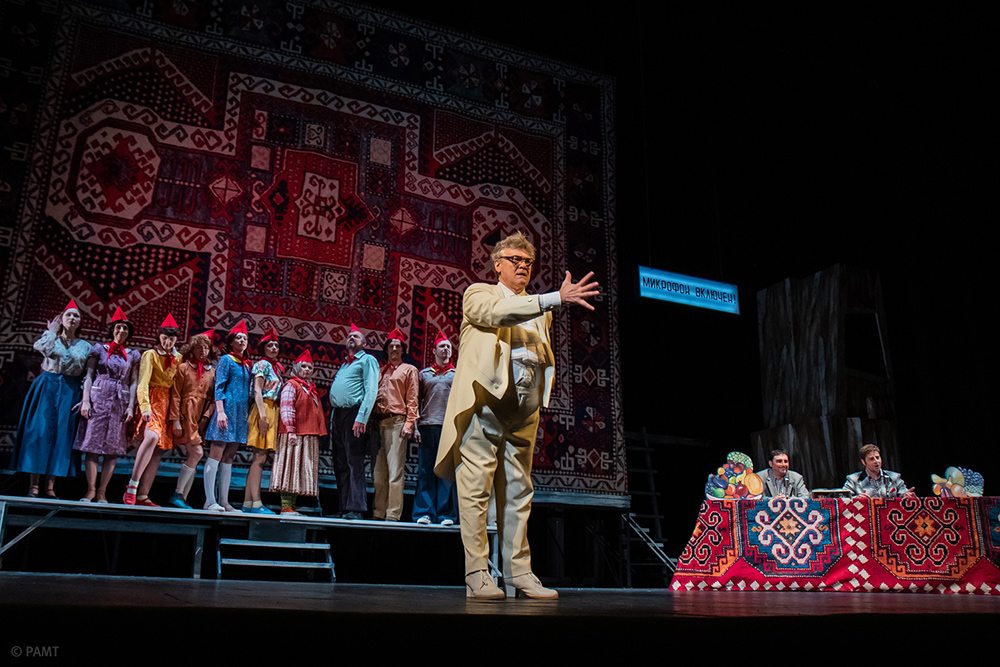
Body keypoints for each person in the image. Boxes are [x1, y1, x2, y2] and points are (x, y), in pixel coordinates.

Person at [435, 232, 599, 600]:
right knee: (475, 490)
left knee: (518, 491)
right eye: (514, 259)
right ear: (497, 264)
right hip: (487, 403)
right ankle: (477, 573)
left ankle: (519, 573)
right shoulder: (479, 293)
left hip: (524, 410)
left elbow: (538, 353)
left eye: (527, 262)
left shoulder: (541, 310)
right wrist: (553, 298)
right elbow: (497, 315)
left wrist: (538, 398)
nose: (522, 266)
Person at [14, 299, 91, 498]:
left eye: (76, 316)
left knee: (61, 435)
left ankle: (50, 486)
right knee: (39, 432)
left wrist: (84, 397)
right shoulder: (51, 338)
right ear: (61, 319)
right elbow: (41, 348)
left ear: (80, 322)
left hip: (70, 390)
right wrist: (52, 331)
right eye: (68, 315)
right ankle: (33, 484)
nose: (72, 318)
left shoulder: (85, 346)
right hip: (47, 387)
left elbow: (87, 374)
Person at [74, 306, 139, 503]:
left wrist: (131, 406)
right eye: (118, 327)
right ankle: (91, 490)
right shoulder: (99, 349)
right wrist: (86, 400)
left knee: (112, 449)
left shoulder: (132, 355)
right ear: (112, 330)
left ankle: (102, 492)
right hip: (99, 396)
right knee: (92, 446)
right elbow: (88, 375)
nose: (121, 331)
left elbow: (134, 381)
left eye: (125, 328)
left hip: (119, 400)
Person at [124, 314, 181, 506]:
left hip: (169, 404)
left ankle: (143, 495)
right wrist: (145, 407)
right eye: (164, 338)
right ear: (159, 337)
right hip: (153, 399)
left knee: (158, 451)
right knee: (151, 437)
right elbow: (143, 382)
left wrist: (177, 415)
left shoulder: (178, 358)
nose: (167, 342)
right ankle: (132, 486)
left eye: (171, 339)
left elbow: (178, 387)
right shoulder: (150, 354)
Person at [328, 323, 379, 519]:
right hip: (339, 415)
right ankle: (344, 507)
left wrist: (362, 417)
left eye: (356, 336)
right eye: (349, 336)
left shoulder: (368, 360)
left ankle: (356, 508)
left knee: (354, 461)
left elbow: (371, 390)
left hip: (354, 414)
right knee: (340, 461)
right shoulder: (345, 364)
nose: (351, 338)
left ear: (364, 343)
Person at [203, 321, 253, 511]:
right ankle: (209, 500)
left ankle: (224, 500)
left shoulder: (247, 364)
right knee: (216, 452)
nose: (242, 341)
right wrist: (221, 411)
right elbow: (219, 386)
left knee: (229, 456)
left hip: (240, 414)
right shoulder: (226, 360)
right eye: (238, 338)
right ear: (231, 341)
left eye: (245, 338)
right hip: (226, 410)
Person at [271, 349, 327, 515]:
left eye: (310, 367)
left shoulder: (311, 390)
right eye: (304, 366)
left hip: (307, 434)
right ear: (296, 368)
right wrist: (290, 430)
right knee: (290, 468)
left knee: (298, 471)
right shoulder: (292, 385)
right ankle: (286, 506)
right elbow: (286, 407)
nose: (307, 369)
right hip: (294, 433)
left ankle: (292, 507)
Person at [372, 328, 419, 522]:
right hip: (378, 422)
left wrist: (410, 423)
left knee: (395, 471)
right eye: (391, 345)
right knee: (378, 472)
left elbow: (413, 398)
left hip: (397, 421)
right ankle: (378, 512)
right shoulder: (381, 371)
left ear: (402, 350)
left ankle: (392, 514)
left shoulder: (408, 370)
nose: (394, 348)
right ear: (386, 349)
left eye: (397, 346)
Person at [412, 330, 458, 526]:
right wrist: (414, 426)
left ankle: (446, 514)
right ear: (434, 351)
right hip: (428, 425)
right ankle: (424, 513)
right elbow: (415, 401)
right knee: (426, 470)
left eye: (448, 346)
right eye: (442, 346)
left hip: (448, 428)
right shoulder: (424, 374)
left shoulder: (457, 374)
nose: (446, 349)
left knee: (446, 472)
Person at [167, 330, 217, 509]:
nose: (203, 351)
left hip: (201, 416)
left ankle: (183, 498)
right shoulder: (184, 368)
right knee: (197, 453)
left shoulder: (212, 372)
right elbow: (176, 395)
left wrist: (206, 416)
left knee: (193, 456)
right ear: (192, 349)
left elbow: (214, 397)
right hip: (186, 414)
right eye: (199, 347)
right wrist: (175, 420)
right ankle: (177, 493)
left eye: (206, 348)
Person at [244, 327, 283, 514]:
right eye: (270, 345)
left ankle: (248, 502)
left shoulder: (276, 368)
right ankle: (256, 503)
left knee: (260, 458)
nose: (274, 348)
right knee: (259, 458)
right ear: (263, 347)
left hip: (272, 408)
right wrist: (262, 416)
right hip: (264, 408)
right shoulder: (262, 365)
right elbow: (257, 391)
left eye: (276, 345)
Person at [844, 443, 915, 499]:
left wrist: (907, 496)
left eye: (877, 458)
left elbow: (904, 494)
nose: (876, 461)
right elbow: (842, 499)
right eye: (872, 459)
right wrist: (856, 499)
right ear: (863, 462)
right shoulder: (854, 480)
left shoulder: (894, 477)